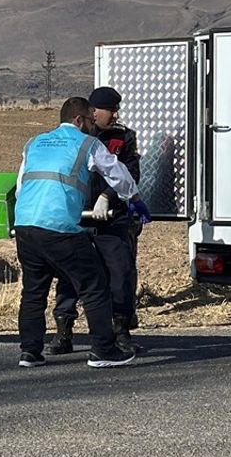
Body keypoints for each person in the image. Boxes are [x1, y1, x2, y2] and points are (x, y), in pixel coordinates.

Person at [13, 97, 152, 369]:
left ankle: (30, 352)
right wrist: (134, 199)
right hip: (61, 226)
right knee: (94, 285)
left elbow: (20, 187)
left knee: (33, 291)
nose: (92, 125)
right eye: (89, 120)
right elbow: (118, 174)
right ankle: (103, 350)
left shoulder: (34, 143)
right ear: (79, 120)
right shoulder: (87, 143)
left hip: (26, 226)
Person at [47, 85, 145, 356]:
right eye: (109, 110)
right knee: (69, 277)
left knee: (119, 275)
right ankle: (63, 332)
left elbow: (129, 173)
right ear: (92, 111)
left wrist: (107, 196)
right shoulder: (75, 137)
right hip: (78, 217)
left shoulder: (123, 137)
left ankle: (120, 332)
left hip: (112, 219)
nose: (114, 115)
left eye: (116, 110)